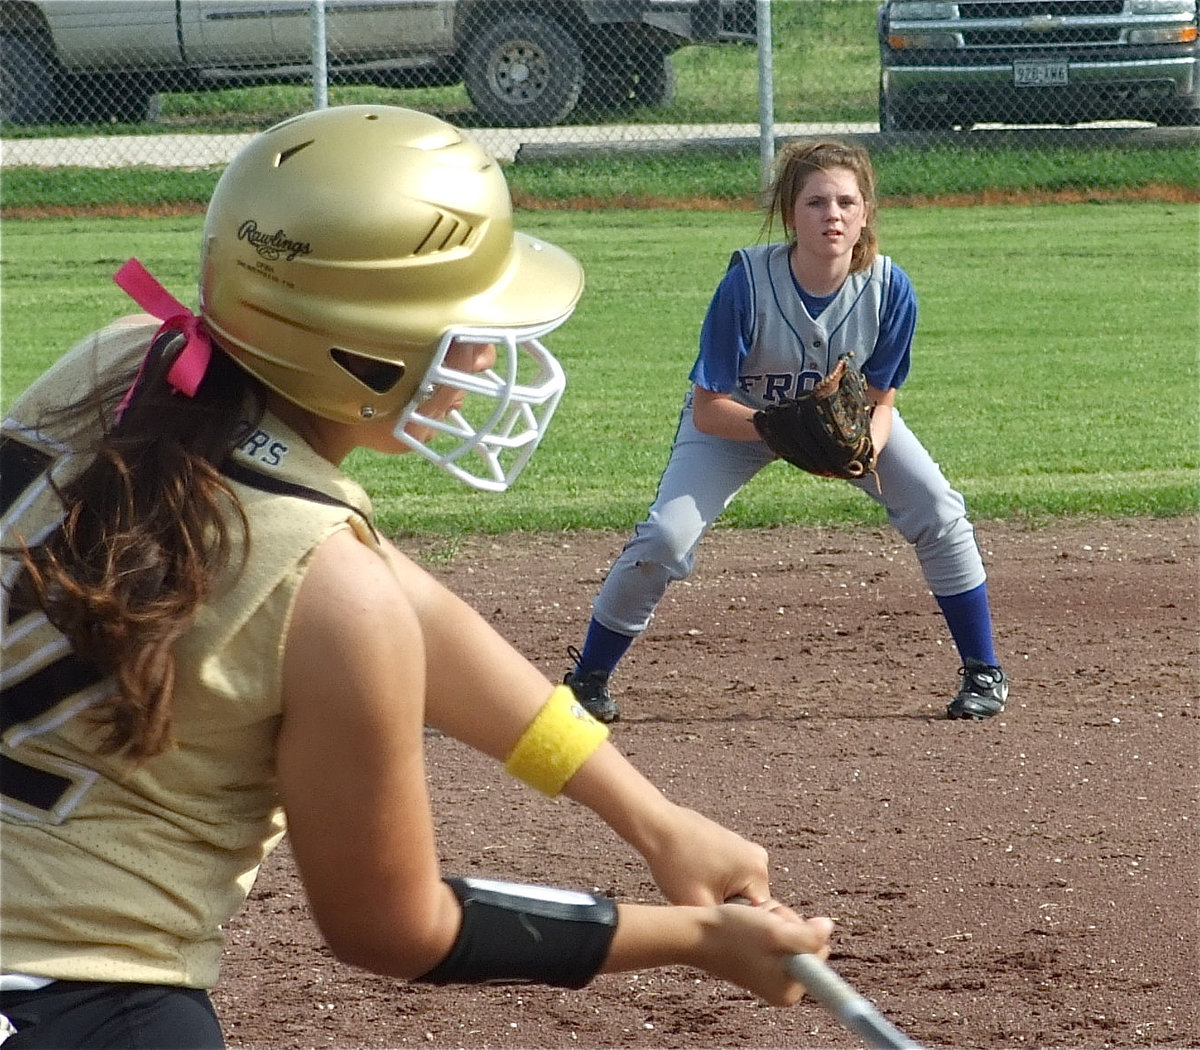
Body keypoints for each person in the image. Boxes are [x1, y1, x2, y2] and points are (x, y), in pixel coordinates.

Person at [0, 106, 833, 1049]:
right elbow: (393, 926)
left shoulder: (127, 368)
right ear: (360, 347)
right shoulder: (331, 591)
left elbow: (406, 603)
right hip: (73, 1004)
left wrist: (652, 818)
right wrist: (694, 940)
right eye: (466, 327)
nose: (488, 354)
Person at [563, 139, 1008, 725]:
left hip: (844, 424)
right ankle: (589, 679)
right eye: (817, 202)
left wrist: (865, 444)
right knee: (666, 538)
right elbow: (708, 409)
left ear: (866, 212)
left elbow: (881, 397)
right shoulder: (747, 283)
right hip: (739, 421)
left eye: (848, 202)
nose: (834, 215)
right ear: (789, 213)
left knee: (936, 507)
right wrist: (782, 433)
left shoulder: (889, 288)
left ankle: (984, 671)